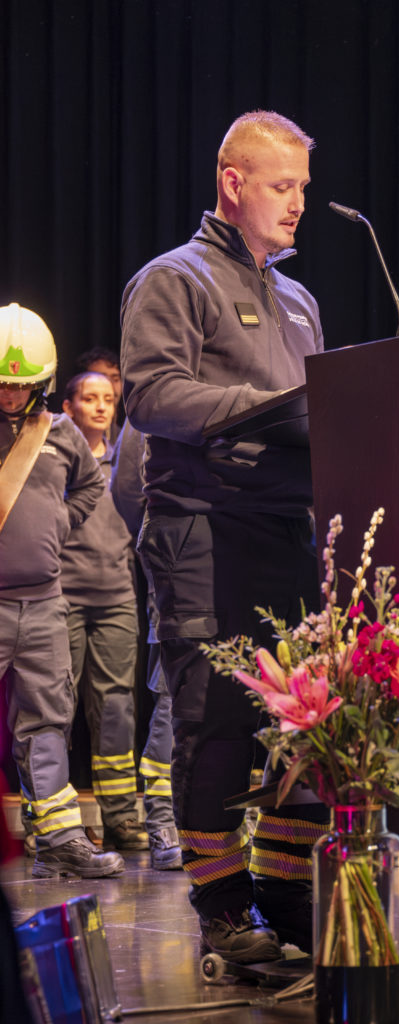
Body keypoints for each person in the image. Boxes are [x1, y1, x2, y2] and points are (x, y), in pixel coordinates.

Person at [120, 110, 329, 964]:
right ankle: (223, 909)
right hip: (203, 530)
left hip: (290, 533)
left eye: (303, 188)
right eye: (282, 186)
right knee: (214, 727)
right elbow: (150, 396)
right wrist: (262, 409)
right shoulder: (173, 279)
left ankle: (285, 894)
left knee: (302, 723)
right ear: (232, 183)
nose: (298, 203)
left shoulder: (300, 301)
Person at [0, 302, 124, 877]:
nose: (10, 393)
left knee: (48, 720)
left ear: (42, 382)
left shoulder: (61, 432)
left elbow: (91, 488)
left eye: (20, 384)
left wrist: (58, 524)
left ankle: (60, 839)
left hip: (46, 603)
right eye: (2, 383)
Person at [60, 372, 147, 853]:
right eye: (89, 398)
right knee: (58, 708)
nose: (100, 406)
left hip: (116, 598)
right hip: (63, 598)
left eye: (108, 399)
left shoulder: (126, 462)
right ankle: (54, 823)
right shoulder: (56, 460)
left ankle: (121, 818)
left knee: (116, 708)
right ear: (68, 407)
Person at [110, 418, 182, 870]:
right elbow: (126, 490)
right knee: (174, 693)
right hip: (178, 567)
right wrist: (161, 545)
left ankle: (215, 823)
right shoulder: (156, 401)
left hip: (241, 562)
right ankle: (162, 821)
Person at [75, 348, 123, 441]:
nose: (109, 385)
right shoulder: (61, 436)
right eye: (101, 378)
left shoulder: (123, 437)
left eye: (115, 379)